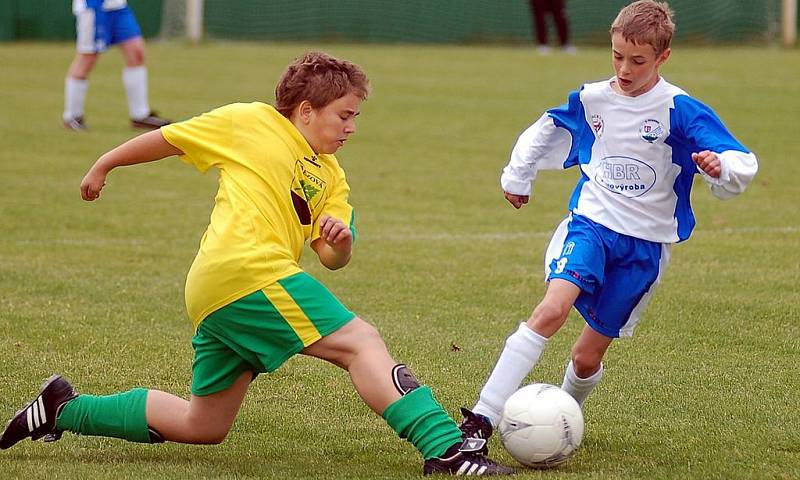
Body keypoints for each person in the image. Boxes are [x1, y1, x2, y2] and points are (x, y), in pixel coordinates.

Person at [2, 51, 513, 476]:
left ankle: (65, 409)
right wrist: (104, 162)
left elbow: (333, 258)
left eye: (355, 116)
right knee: (361, 342)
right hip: (247, 272)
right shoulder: (250, 122)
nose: (352, 127)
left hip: (218, 292)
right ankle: (449, 450)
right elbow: (169, 137)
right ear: (307, 110)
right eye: (345, 114)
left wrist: (339, 240)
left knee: (205, 424)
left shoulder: (332, 177)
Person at [460, 0, 758, 449]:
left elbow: (739, 157)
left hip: (644, 249)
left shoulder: (680, 109)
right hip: (591, 225)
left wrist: (720, 168)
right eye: (617, 56)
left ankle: (559, 420)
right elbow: (546, 126)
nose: (624, 69)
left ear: (663, 57)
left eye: (638, 61)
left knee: (585, 358)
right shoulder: (592, 98)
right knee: (551, 309)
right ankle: (481, 418)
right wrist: (518, 176)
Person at [63, 0, 170, 130]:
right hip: (94, 6)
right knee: (87, 58)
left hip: (118, 6)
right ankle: (72, 116)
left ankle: (140, 115)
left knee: (136, 53)